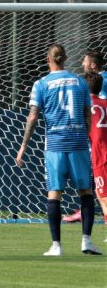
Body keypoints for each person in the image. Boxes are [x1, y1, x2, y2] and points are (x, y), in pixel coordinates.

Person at [16, 44, 102, 256]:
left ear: (48, 59)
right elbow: (88, 115)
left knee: (54, 193)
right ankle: (87, 241)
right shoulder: (80, 82)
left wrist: (23, 146)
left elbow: (33, 116)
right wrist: (85, 136)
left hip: (55, 145)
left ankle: (56, 246)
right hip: (79, 143)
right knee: (86, 192)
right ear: (65, 59)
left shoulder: (41, 84)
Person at [63, 50, 107, 223]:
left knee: (99, 184)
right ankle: (85, 208)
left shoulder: (99, 82)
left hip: (99, 139)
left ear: (93, 65)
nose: (82, 64)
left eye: (85, 61)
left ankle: (86, 209)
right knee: (94, 181)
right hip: (96, 138)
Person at [84, 72, 107, 239]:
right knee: (100, 193)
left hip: (101, 155)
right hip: (101, 154)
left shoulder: (86, 106)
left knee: (104, 195)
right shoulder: (105, 103)